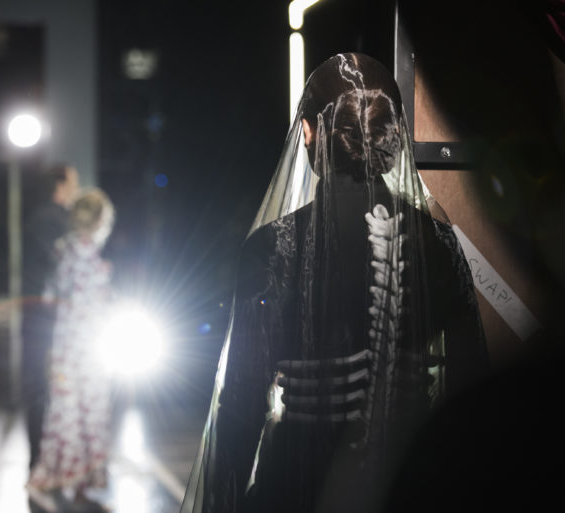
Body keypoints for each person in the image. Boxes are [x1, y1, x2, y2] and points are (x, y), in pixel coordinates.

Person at [180, 53, 489, 513]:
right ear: (391, 135)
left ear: (307, 132)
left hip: (297, 488)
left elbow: (242, 402)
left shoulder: (273, 247)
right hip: (412, 483)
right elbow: (473, 386)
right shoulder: (438, 242)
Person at [26, 188, 115, 513]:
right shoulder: (89, 258)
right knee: (89, 416)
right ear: (101, 221)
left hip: (65, 346)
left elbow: (50, 297)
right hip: (87, 349)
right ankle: (74, 485)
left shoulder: (63, 252)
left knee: (65, 417)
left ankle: (62, 482)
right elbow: (94, 308)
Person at [22, 163, 79, 473]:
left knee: (43, 388)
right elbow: (59, 266)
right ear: (60, 184)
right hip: (49, 319)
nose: (77, 187)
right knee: (46, 388)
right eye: (73, 181)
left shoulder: (43, 218)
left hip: (42, 317)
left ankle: (44, 460)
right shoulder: (52, 219)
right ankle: (44, 461)